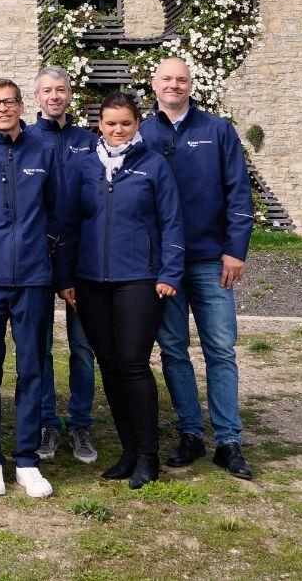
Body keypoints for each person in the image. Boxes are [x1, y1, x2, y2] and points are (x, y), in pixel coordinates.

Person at [142, 57, 256, 480]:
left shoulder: (217, 131)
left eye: (181, 79)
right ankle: (189, 432)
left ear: (192, 84)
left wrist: (235, 250)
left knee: (220, 350)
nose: (174, 85)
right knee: (173, 349)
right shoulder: (142, 133)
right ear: (154, 84)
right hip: (163, 266)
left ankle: (228, 440)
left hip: (212, 260)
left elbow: (239, 193)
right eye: (167, 78)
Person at [0, 80, 71, 499]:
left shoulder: (43, 152)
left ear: (22, 105)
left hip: (32, 280)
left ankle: (27, 460)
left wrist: (53, 268)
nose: (3, 108)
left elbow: (59, 214)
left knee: (32, 371)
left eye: (10, 101)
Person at [66, 92, 184, 489]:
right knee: (110, 366)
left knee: (133, 363)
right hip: (90, 281)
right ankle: (128, 450)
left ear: (137, 124)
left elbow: (172, 221)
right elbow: (69, 224)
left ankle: (148, 456)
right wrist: (65, 277)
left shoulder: (153, 165)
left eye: (126, 123)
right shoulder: (84, 166)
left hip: (139, 278)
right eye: (110, 123)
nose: (117, 130)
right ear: (99, 123)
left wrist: (170, 272)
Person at [24, 66, 100, 465]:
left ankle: (81, 422)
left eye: (61, 90)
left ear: (71, 95)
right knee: (39, 347)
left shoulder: (90, 142)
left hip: (82, 256)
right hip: (36, 256)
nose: (55, 96)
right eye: (47, 91)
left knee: (82, 346)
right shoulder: (25, 140)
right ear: (36, 97)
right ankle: (46, 420)